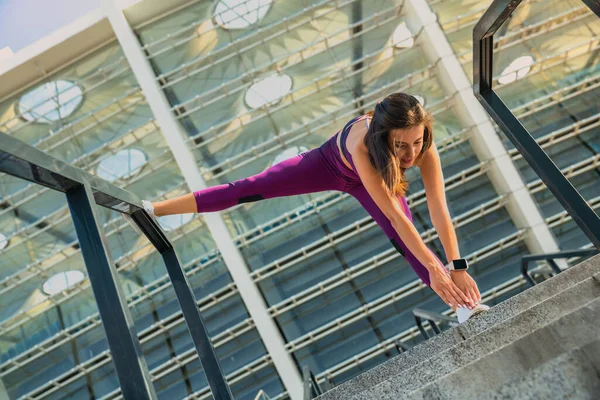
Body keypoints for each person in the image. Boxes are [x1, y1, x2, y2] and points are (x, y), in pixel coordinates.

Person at [126, 92, 488, 321]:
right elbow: (395, 214)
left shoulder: (423, 145)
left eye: (417, 142)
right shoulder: (364, 145)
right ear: (383, 138)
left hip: (372, 183)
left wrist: (455, 266)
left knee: (406, 242)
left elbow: (438, 206)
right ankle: (154, 208)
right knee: (252, 187)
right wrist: (436, 269)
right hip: (327, 166)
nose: (411, 154)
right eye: (401, 147)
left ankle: (464, 307)